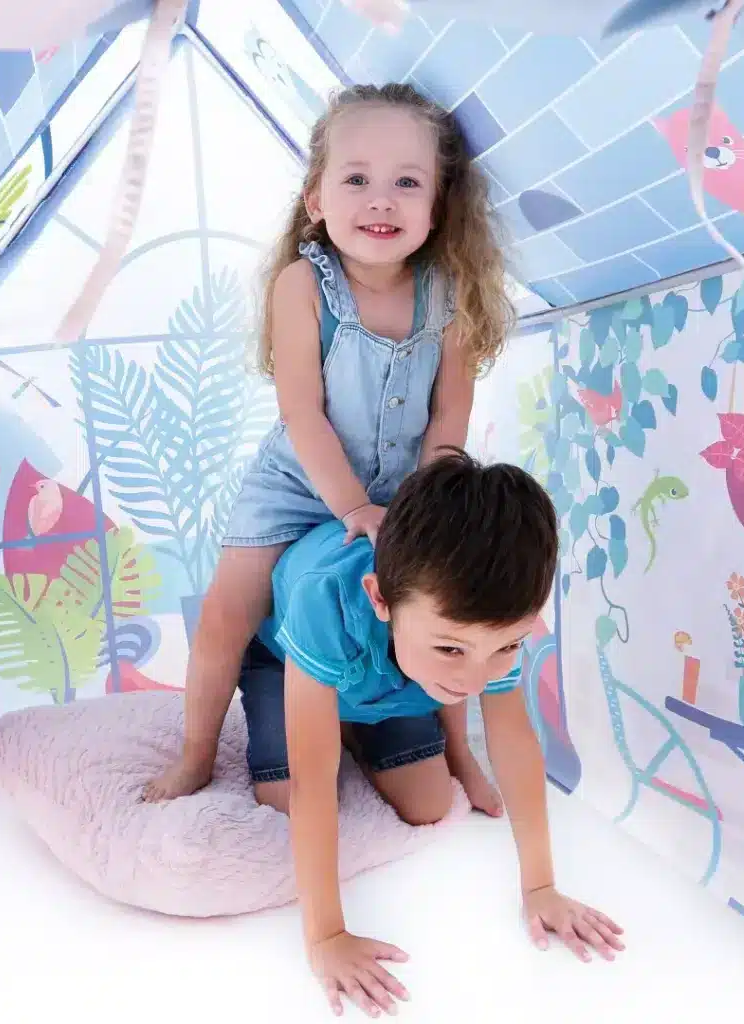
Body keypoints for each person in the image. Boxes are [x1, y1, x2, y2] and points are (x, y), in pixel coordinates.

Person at [143, 81, 515, 808]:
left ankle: (454, 750)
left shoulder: (450, 295)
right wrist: (351, 507)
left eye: (407, 183)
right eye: (357, 180)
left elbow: (448, 418)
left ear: (438, 204)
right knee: (226, 611)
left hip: (403, 487)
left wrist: (428, 508)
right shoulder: (303, 285)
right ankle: (196, 754)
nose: (382, 201)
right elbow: (302, 413)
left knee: (440, 605)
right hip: (297, 481)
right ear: (316, 199)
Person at [236, 449, 625, 1017]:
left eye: (508, 647)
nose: (476, 679)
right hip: (289, 666)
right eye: (451, 648)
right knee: (283, 801)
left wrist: (540, 886)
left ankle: (357, 723)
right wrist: (326, 936)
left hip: (396, 677)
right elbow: (311, 781)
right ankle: (334, 716)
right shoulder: (323, 598)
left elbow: (514, 743)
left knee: (430, 804)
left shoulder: (488, 627)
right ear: (380, 598)